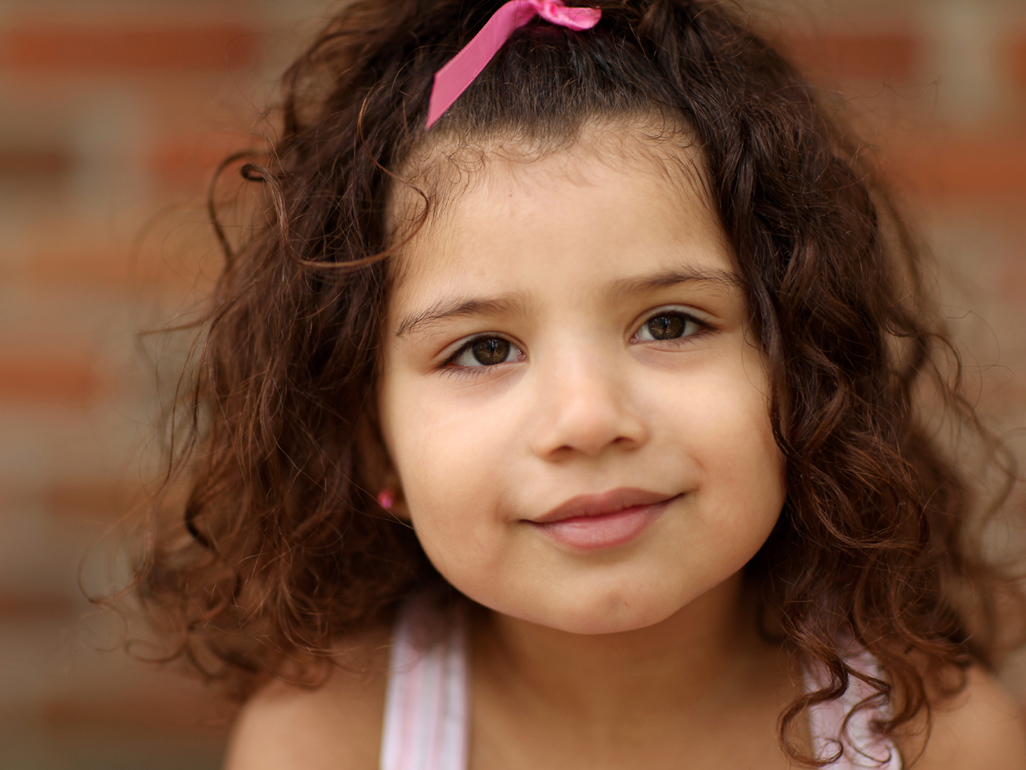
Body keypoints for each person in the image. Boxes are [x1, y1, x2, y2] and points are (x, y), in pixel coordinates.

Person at [134, 0, 1026, 767]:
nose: (588, 419)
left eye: (670, 324)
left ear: (806, 367)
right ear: (372, 439)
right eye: (483, 349)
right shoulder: (324, 744)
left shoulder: (934, 741)